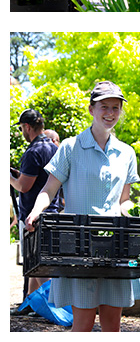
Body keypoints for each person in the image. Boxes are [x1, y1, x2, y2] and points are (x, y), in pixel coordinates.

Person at [25, 81, 140, 333]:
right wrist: (36, 212)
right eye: (104, 107)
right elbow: (49, 189)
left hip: (115, 245)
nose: (110, 113)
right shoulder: (70, 147)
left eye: (115, 108)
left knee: (113, 327)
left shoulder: (127, 152)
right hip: (79, 244)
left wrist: (137, 215)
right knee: (83, 325)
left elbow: (124, 200)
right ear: (91, 109)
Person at [10, 109, 60, 295]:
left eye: (22, 128)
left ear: (27, 126)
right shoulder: (54, 148)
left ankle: (53, 304)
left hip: (34, 215)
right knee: (35, 263)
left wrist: (9, 178)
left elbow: (23, 186)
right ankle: (30, 304)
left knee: (38, 264)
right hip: (52, 212)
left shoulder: (33, 151)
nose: (23, 132)